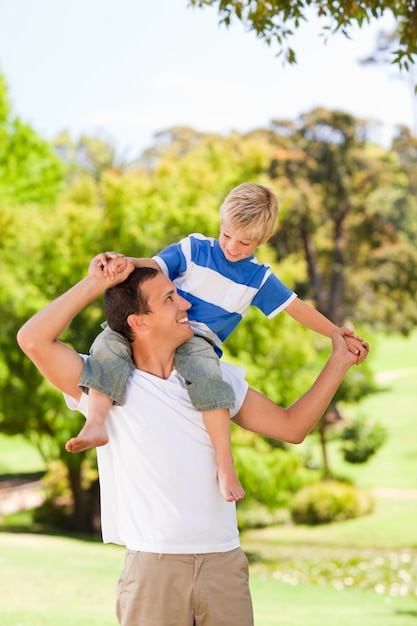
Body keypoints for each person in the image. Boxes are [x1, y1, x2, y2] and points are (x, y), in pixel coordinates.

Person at [17, 255, 368, 626]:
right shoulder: (102, 382)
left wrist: (340, 360)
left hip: (224, 562)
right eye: (170, 299)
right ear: (139, 322)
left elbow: (291, 427)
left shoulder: (214, 380)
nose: (186, 304)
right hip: (154, 568)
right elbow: (33, 339)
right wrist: (95, 283)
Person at [67, 182, 368, 503]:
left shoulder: (258, 279)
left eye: (245, 242)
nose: (232, 247)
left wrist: (336, 332)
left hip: (196, 340)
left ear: (263, 240)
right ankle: (96, 422)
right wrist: (119, 260)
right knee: (108, 342)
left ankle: (224, 463)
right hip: (158, 327)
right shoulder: (194, 249)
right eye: (227, 235)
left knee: (209, 378)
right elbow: (153, 266)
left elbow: (298, 309)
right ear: (220, 224)